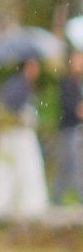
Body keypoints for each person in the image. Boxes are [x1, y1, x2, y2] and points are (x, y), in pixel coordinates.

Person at [0, 54, 50, 218]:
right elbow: (9, 109)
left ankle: (9, 202)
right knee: (24, 168)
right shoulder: (19, 84)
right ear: (29, 65)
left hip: (15, 134)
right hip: (15, 135)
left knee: (10, 169)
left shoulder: (17, 83)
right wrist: (22, 118)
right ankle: (28, 203)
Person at [57, 49, 83, 208]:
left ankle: (56, 194)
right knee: (73, 162)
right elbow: (67, 105)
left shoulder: (78, 82)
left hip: (76, 127)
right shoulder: (67, 81)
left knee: (67, 163)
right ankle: (79, 194)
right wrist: (77, 109)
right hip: (69, 127)